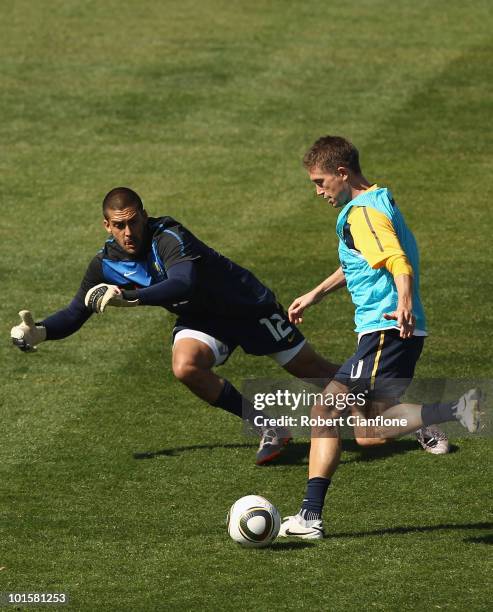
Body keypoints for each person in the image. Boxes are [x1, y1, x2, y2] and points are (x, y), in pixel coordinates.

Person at [10, 187, 339, 466]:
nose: (129, 232)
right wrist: (39, 331)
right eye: (120, 225)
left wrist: (129, 297)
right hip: (202, 319)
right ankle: (268, 425)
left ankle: (382, 399)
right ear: (106, 225)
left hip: (246, 305)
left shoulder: (167, 235)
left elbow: (183, 283)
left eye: (134, 221)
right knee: (185, 366)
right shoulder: (106, 263)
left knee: (315, 372)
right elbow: (74, 312)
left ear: (144, 215)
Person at [278, 136, 481, 539]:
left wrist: (403, 301)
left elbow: (394, 258)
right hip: (393, 332)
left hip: (387, 330)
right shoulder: (376, 201)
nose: (318, 192)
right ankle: (448, 413)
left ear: (342, 173)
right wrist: (314, 295)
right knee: (368, 433)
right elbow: (361, 261)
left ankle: (309, 518)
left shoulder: (362, 213)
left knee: (326, 413)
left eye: (320, 182)